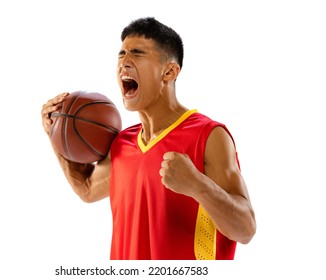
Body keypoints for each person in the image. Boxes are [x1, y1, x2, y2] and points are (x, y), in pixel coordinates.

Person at [41, 17, 256, 260]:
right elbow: (87, 189)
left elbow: (246, 229)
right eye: (121, 55)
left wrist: (198, 185)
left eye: (137, 53)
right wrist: (55, 132)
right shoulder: (123, 143)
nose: (124, 62)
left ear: (169, 71)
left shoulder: (209, 135)